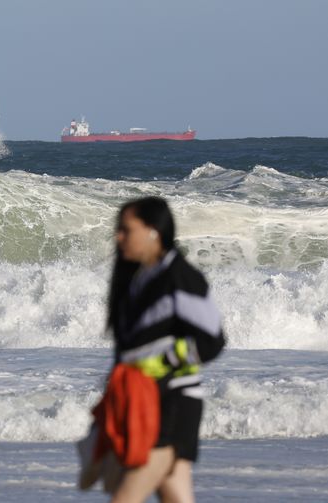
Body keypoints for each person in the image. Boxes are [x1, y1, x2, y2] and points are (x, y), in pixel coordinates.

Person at [104, 196, 225, 503]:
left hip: (173, 403)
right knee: (176, 496)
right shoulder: (137, 279)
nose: (119, 237)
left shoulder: (180, 278)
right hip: (143, 399)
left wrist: (166, 362)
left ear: (153, 231)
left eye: (126, 230)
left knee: (125, 497)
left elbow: (213, 339)